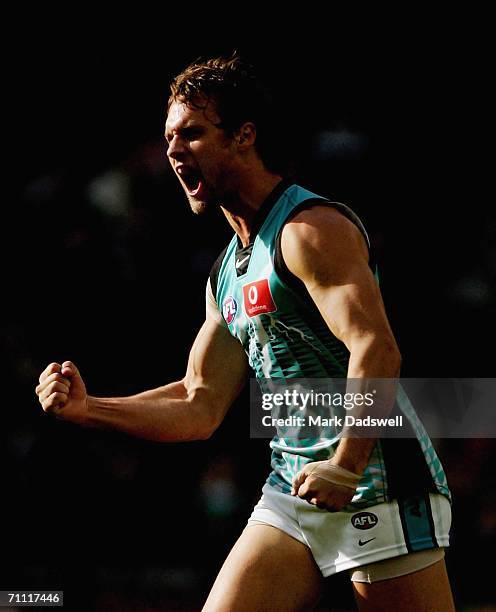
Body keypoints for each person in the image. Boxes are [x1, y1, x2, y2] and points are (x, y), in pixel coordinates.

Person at [35, 54, 455, 611]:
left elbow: (377, 348)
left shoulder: (310, 230)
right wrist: (92, 410)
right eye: (168, 139)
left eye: (193, 134)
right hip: (294, 491)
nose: (174, 151)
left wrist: (346, 464)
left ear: (244, 137)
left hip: (376, 485)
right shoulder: (227, 272)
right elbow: (197, 401)